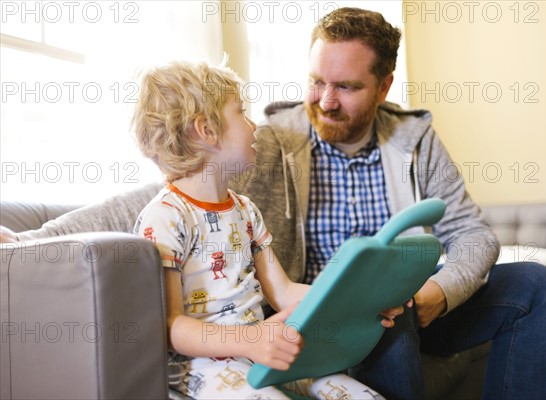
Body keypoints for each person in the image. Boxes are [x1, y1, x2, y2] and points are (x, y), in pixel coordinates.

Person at [2, 7, 546, 400]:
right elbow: (155, 201)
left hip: (412, 304)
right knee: (383, 324)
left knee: (540, 285)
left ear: (385, 85)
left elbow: (474, 236)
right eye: (316, 80)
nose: (324, 99)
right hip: (326, 317)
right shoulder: (271, 141)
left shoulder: (415, 140)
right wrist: (25, 240)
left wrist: (432, 295)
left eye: (345, 87)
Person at [127, 60, 384, 399]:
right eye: (242, 113)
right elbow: (171, 327)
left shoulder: (245, 210)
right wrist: (250, 339)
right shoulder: (166, 217)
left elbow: (283, 291)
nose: (253, 127)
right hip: (204, 368)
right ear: (206, 130)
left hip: (262, 353)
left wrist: (361, 301)